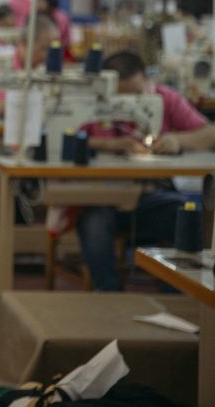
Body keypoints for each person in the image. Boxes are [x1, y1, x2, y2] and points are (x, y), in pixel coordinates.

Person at [76, 51, 215, 291]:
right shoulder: (88, 103)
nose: (133, 107)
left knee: (187, 215)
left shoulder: (164, 98)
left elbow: (210, 133)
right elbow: (64, 137)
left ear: (146, 81)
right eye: (124, 98)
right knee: (93, 223)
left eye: (138, 96)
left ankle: (177, 297)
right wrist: (109, 145)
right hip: (101, 197)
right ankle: (108, 299)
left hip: (150, 197)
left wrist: (178, 141)